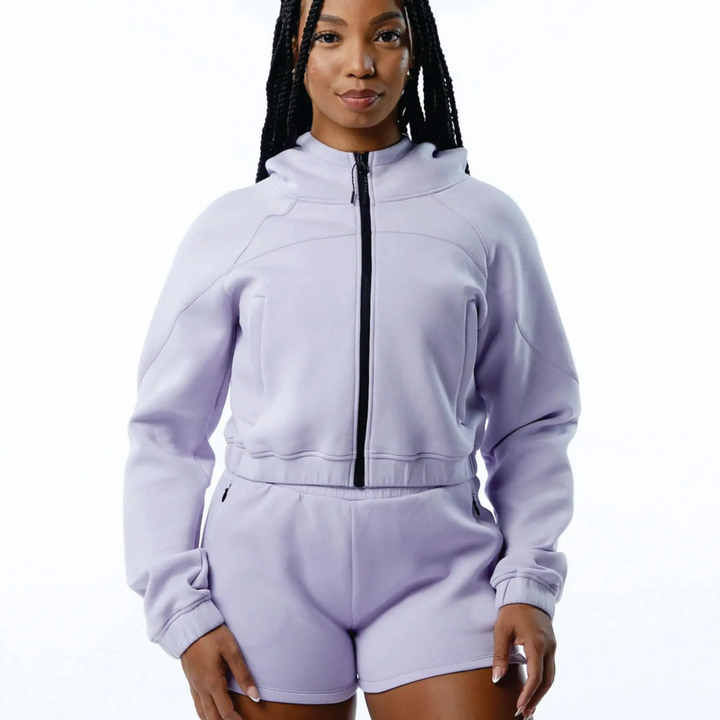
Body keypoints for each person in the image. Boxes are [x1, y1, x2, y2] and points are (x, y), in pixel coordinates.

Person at [122, 0, 581, 718]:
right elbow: (166, 430)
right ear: (296, 53)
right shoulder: (238, 225)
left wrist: (528, 578)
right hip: (265, 568)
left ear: (415, 51)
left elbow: (534, 418)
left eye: (387, 35)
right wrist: (179, 606)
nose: (360, 64)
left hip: (441, 560)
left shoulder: (482, 220)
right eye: (330, 37)